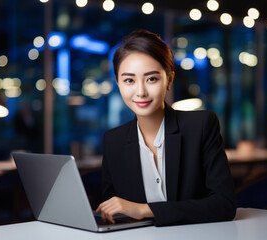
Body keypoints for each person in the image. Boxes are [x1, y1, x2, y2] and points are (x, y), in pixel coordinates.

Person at [96, 29, 236, 226]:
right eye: (129, 80)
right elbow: (113, 211)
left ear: (169, 79)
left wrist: (145, 209)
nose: (141, 91)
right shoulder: (113, 141)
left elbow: (224, 205)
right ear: (118, 83)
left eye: (151, 79)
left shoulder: (201, 126)